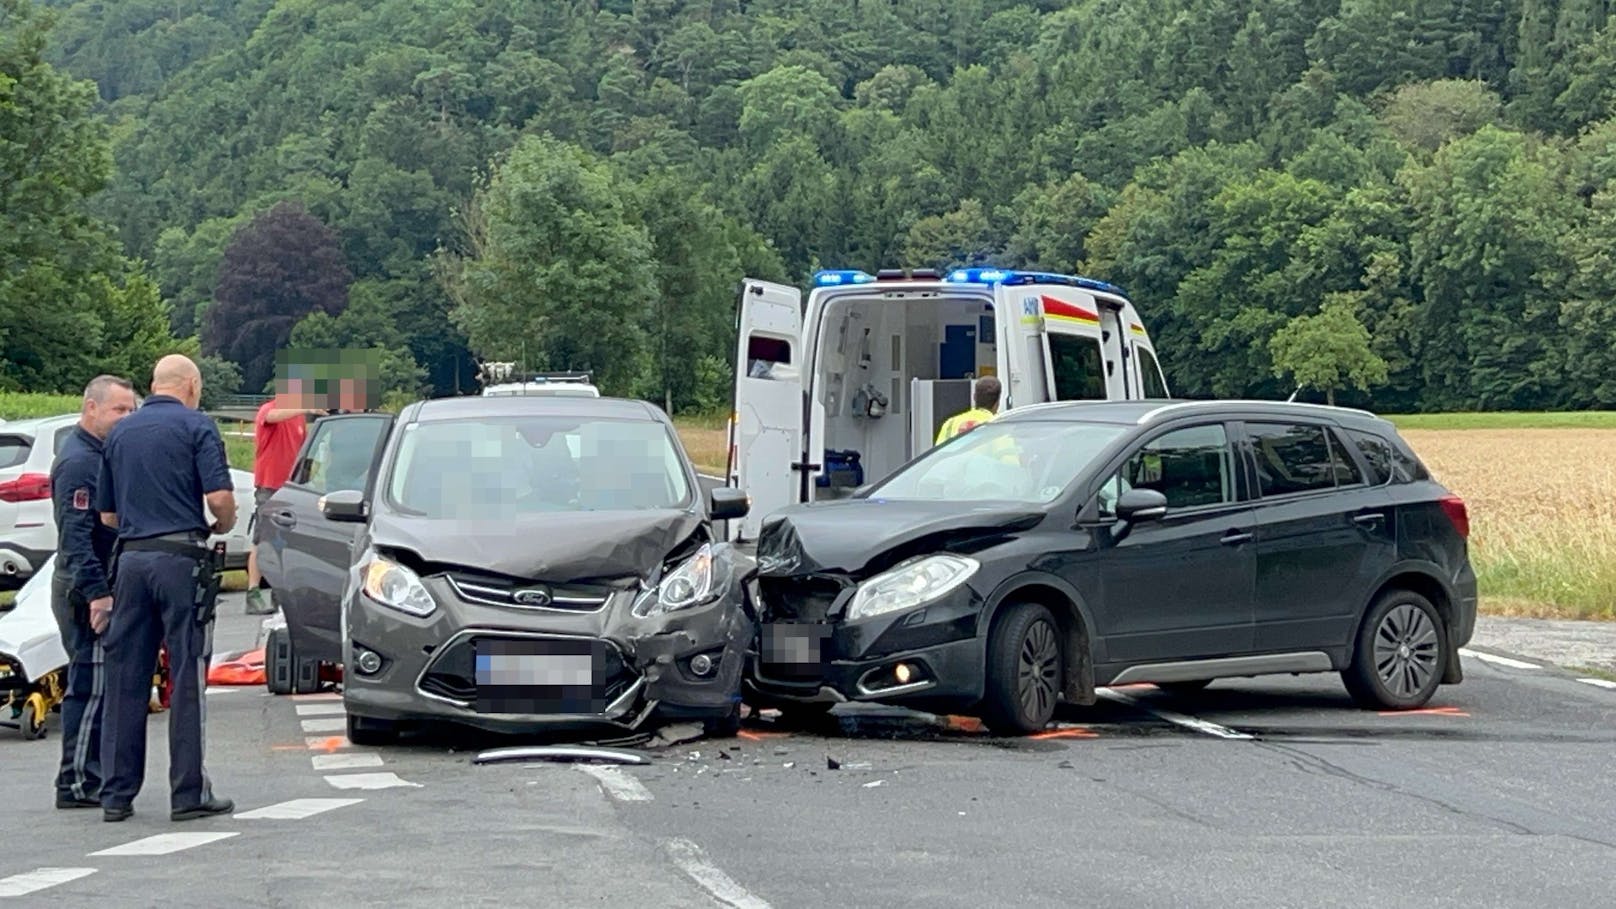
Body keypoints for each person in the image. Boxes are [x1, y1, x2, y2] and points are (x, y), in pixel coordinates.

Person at [95, 355, 236, 823]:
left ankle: (116, 795)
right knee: (187, 674)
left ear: (154, 386)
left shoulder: (120, 434)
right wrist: (223, 523)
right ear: (192, 385)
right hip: (181, 559)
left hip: (131, 560)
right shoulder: (197, 426)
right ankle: (188, 792)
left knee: (125, 677)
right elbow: (219, 498)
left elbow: (107, 516)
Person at [48, 375, 138, 809]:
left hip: (96, 583)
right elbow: (77, 539)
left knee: (100, 685)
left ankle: (88, 775)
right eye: (118, 409)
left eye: (131, 410)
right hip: (83, 589)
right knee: (90, 686)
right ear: (91, 409)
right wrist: (98, 594)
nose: (126, 417)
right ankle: (77, 781)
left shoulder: (100, 454)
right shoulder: (80, 463)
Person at [243, 377, 324, 615]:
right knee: (262, 538)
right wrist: (306, 407)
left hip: (290, 488)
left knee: (287, 541)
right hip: (269, 485)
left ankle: (281, 591)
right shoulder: (269, 410)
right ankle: (253, 591)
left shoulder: (298, 419)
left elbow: (300, 451)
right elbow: (272, 418)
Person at [934, 375, 1002, 445]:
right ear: (998, 402)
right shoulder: (998, 426)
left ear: (974, 397)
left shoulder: (950, 423)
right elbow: (1006, 454)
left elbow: (938, 454)